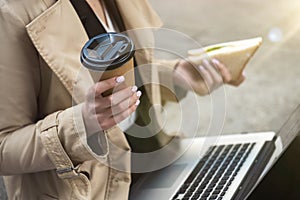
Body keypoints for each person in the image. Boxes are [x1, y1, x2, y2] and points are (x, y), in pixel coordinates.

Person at [0, 0, 245, 199]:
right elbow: (4, 146)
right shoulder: (12, 12)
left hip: (153, 166)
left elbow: (120, 79)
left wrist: (176, 75)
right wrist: (82, 123)